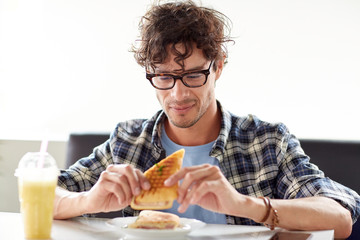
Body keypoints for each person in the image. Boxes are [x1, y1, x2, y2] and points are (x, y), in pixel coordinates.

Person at [54, 1, 360, 238]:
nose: (177, 94)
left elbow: (339, 217)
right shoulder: (128, 140)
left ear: (218, 66)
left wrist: (244, 205)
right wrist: (89, 201)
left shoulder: (267, 141)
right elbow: (44, 196)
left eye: (192, 75)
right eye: (163, 77)